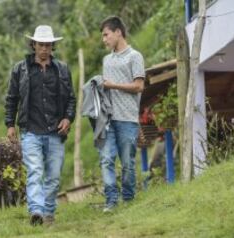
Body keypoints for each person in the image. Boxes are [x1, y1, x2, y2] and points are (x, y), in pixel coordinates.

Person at [4, 25, 76, 225]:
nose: (44, 49)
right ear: (33, 45)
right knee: (35, 172)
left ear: (52, 46)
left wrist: (68, 118)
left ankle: (49, 213)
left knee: (53, 178)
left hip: (55, 132)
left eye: (48, 45)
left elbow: (71, 99)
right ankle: (36, 212)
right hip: (31, 131)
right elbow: (12, 98)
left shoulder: (62, 69)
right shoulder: (21, 69)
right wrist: (10, 124)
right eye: (40, 45)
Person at [99, 16, 145, 212]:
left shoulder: (135, 56)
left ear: (118, 32)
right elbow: (105, 88)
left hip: (127, 119)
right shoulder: (106, 60)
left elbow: (138, 86)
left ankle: (128, 199)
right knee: (106, 159)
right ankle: (111, 201)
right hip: (107, 120)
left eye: (106, 34)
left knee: (127, 163)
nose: (104, 39)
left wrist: (113, 85)